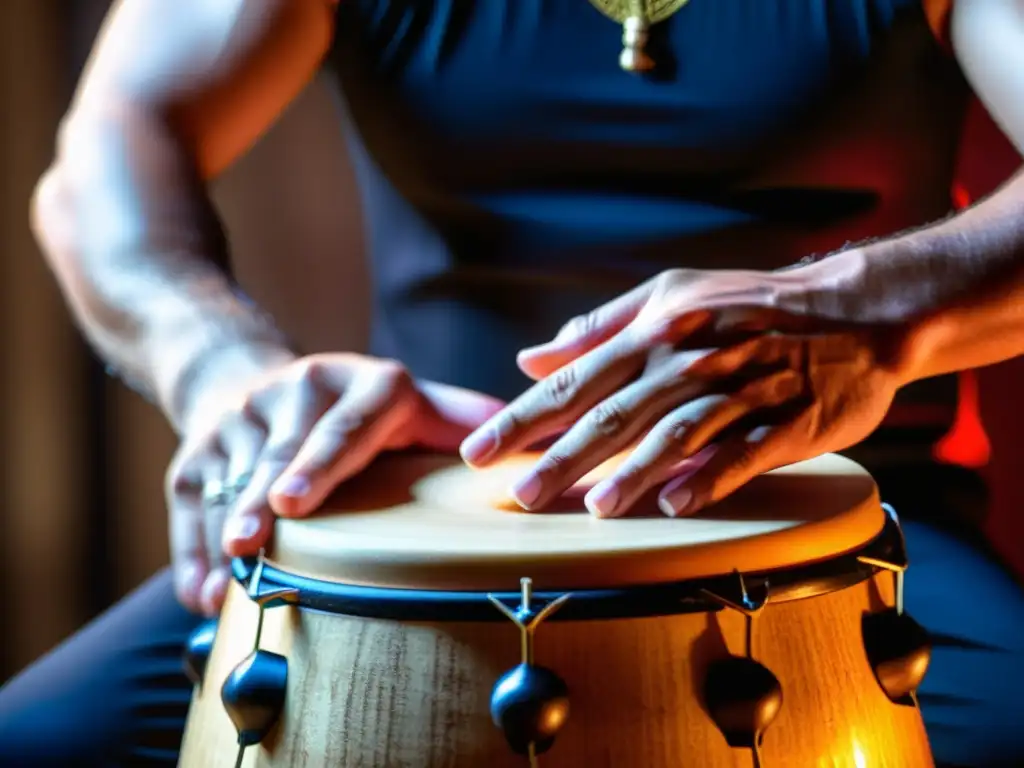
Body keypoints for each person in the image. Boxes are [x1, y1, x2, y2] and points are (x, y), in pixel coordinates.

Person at [3, 0, 1024, 765]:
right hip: (397, 536)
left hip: (852, 529)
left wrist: (866, 305)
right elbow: (109, 149)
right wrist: (219, 368)